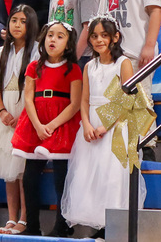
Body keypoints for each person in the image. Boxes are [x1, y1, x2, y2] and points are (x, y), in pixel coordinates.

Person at [61, 16, 147, 237]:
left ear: (115, 37)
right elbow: (84, 100)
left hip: (115, 127)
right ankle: (97, 227)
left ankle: (113, 227)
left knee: (112, 177)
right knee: (91, 176)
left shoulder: (123, 64)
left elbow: (126, 99)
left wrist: (105, 127)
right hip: (92, 127)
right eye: (94, 36)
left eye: (104, 35)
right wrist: (87, 124)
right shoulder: (89, 66)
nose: (99, 40)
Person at [12, 21, 82, 238]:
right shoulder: (34, 66)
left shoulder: (73, 69)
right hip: (36, 123)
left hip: (61, 124)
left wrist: (51, 126)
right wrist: (38, 125)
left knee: (61, 179)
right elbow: (28, 98)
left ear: (68, 44)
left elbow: (75, 103)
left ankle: (62, 225)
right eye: (50, 35)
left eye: (60, 36)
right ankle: (32, 224)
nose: (53, 39)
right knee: (30, 177)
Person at [0, 4, 39, 235]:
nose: (17, 25)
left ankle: (25, 219)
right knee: (7, 167)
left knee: (21, 169)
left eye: (23, 21)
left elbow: (36, 86)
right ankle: (10, 217)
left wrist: (25, 115)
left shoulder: (37, 51)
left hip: (26, 110)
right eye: (14, 20)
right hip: (5, 111)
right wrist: (1, 111)